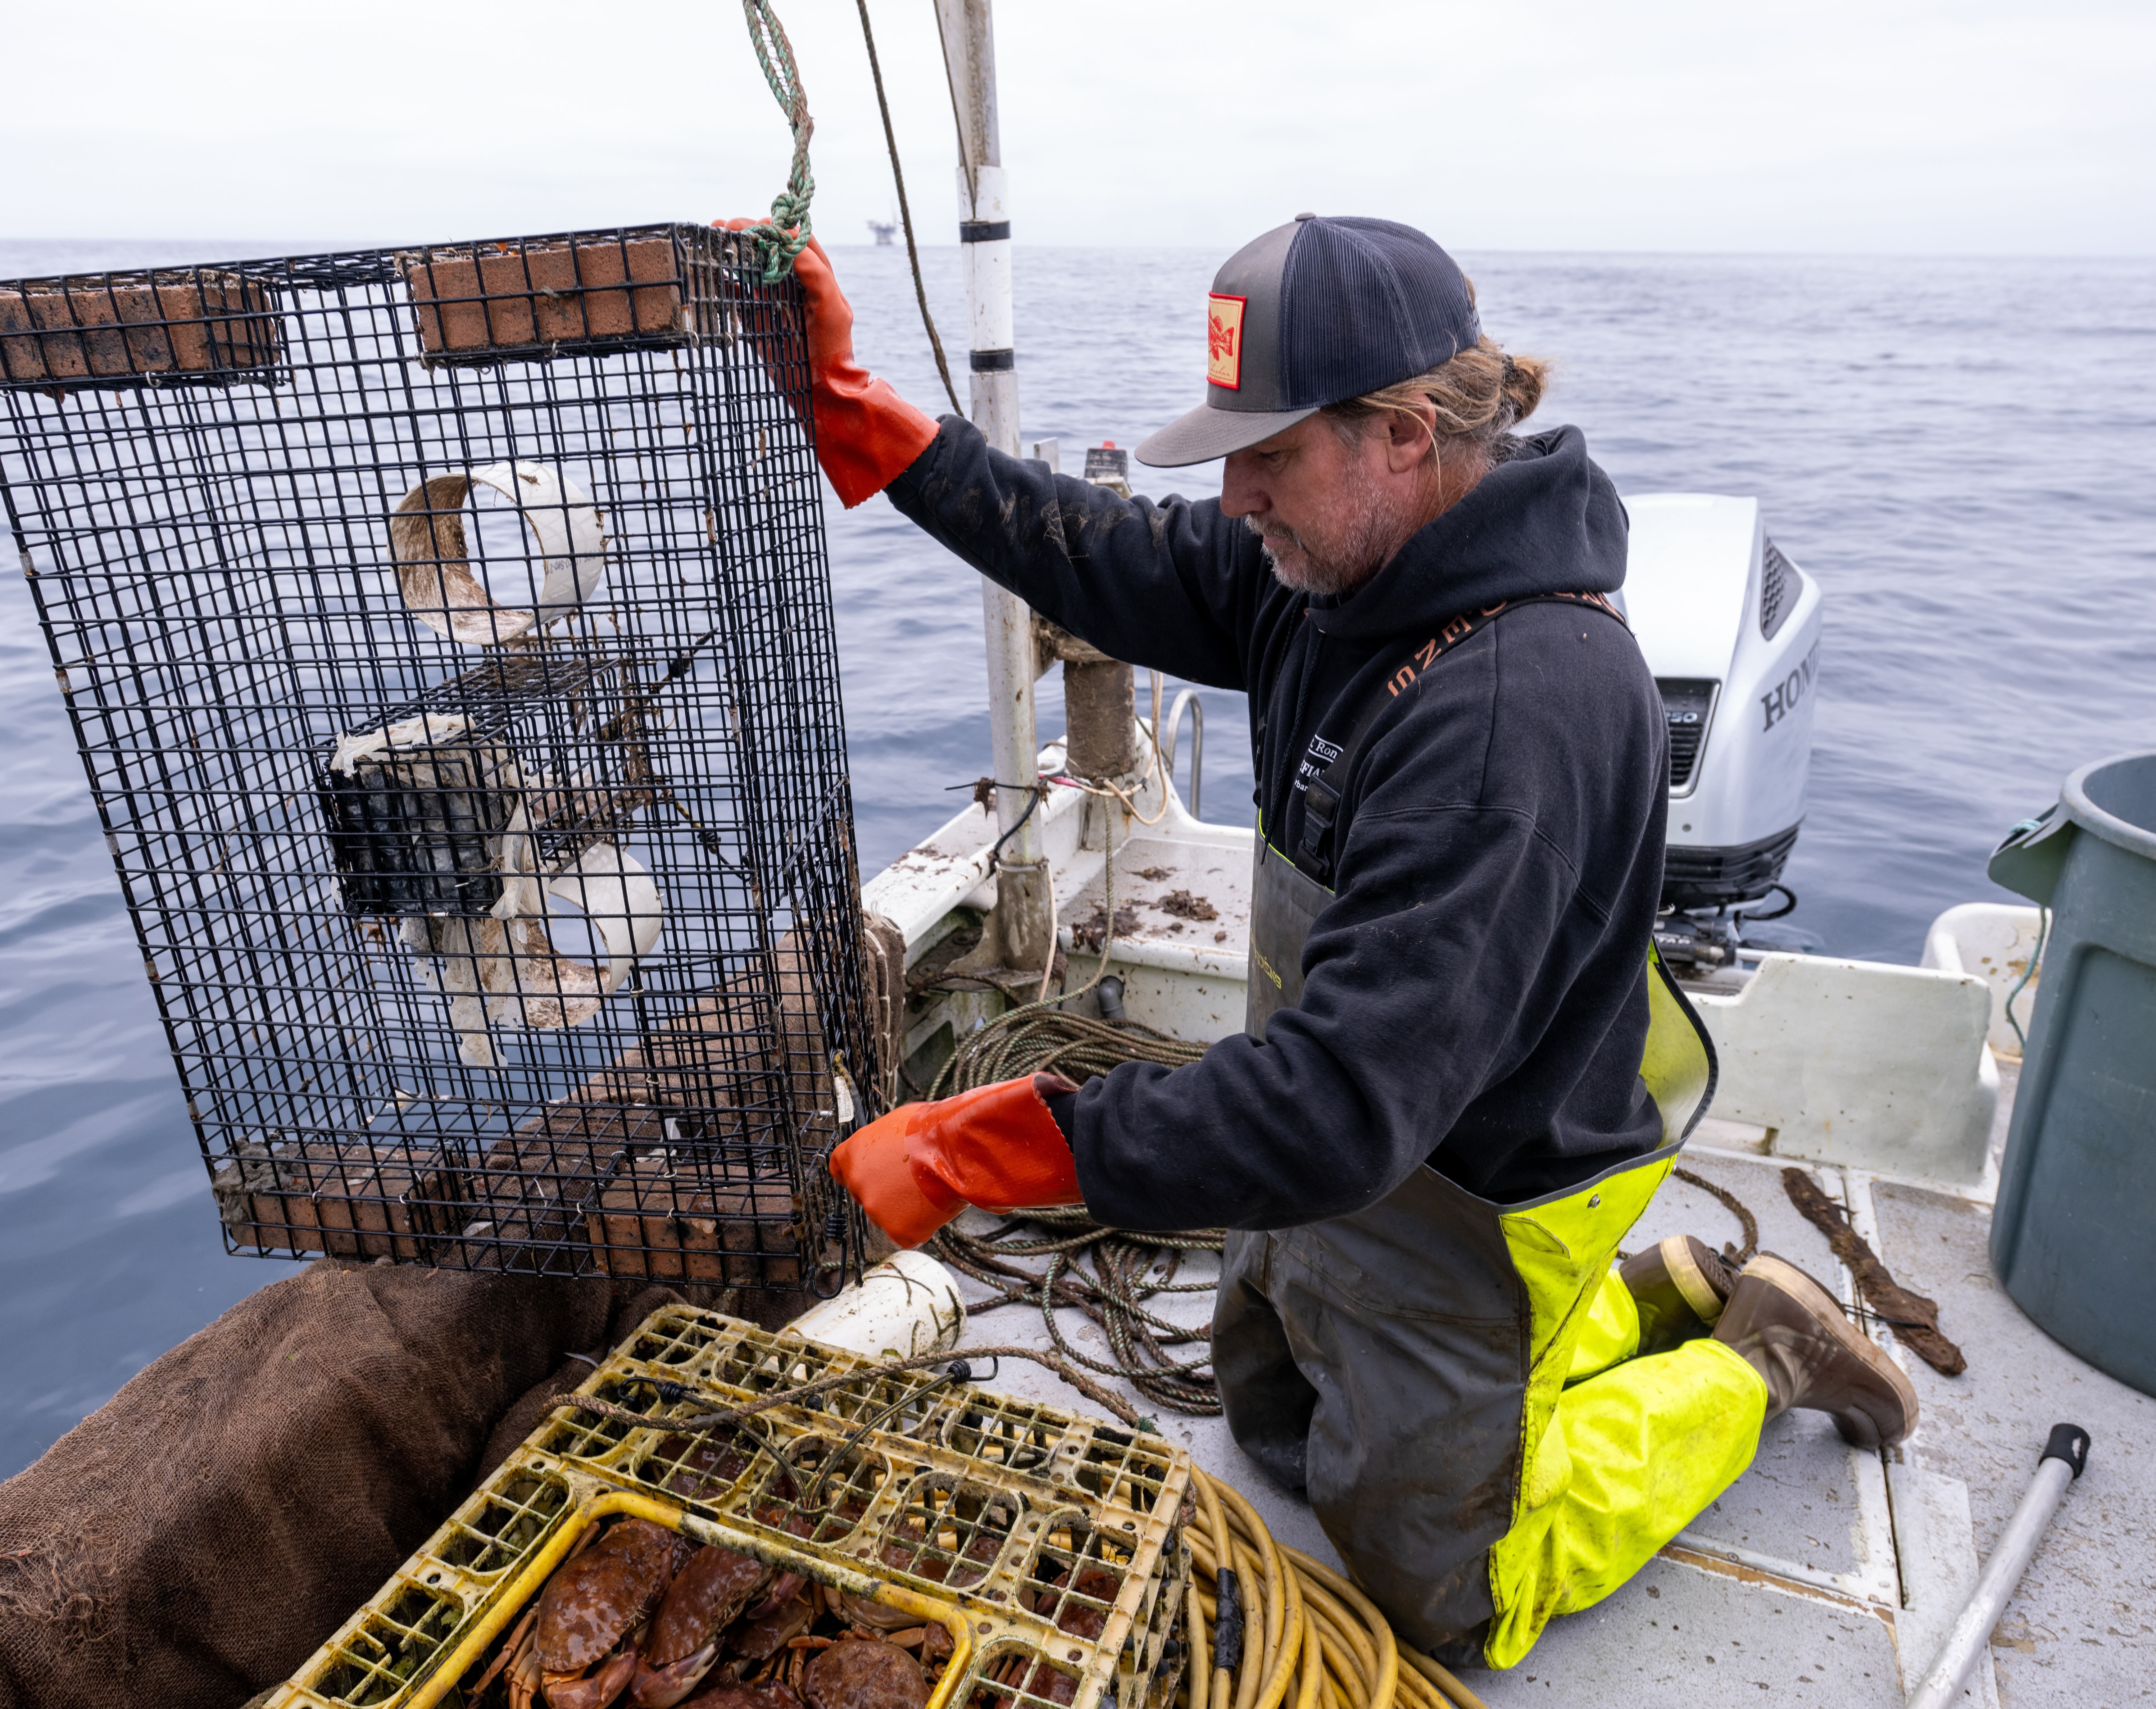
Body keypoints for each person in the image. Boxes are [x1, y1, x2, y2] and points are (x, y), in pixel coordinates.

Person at [787, 214, 1917, 1669]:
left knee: (1444, 1589)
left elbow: (1332, 1110)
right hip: (1360, 1114)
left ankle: (1755, 1352)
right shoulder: (1342, 566)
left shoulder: (1512, 708)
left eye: (1272, 455)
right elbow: (1116, 559)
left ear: (1402, 433)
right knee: (1275, 1425)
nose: (1233, 491)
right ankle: (1662, 1290)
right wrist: (868, 423)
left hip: (1489, 1175)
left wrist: (968, 1148)